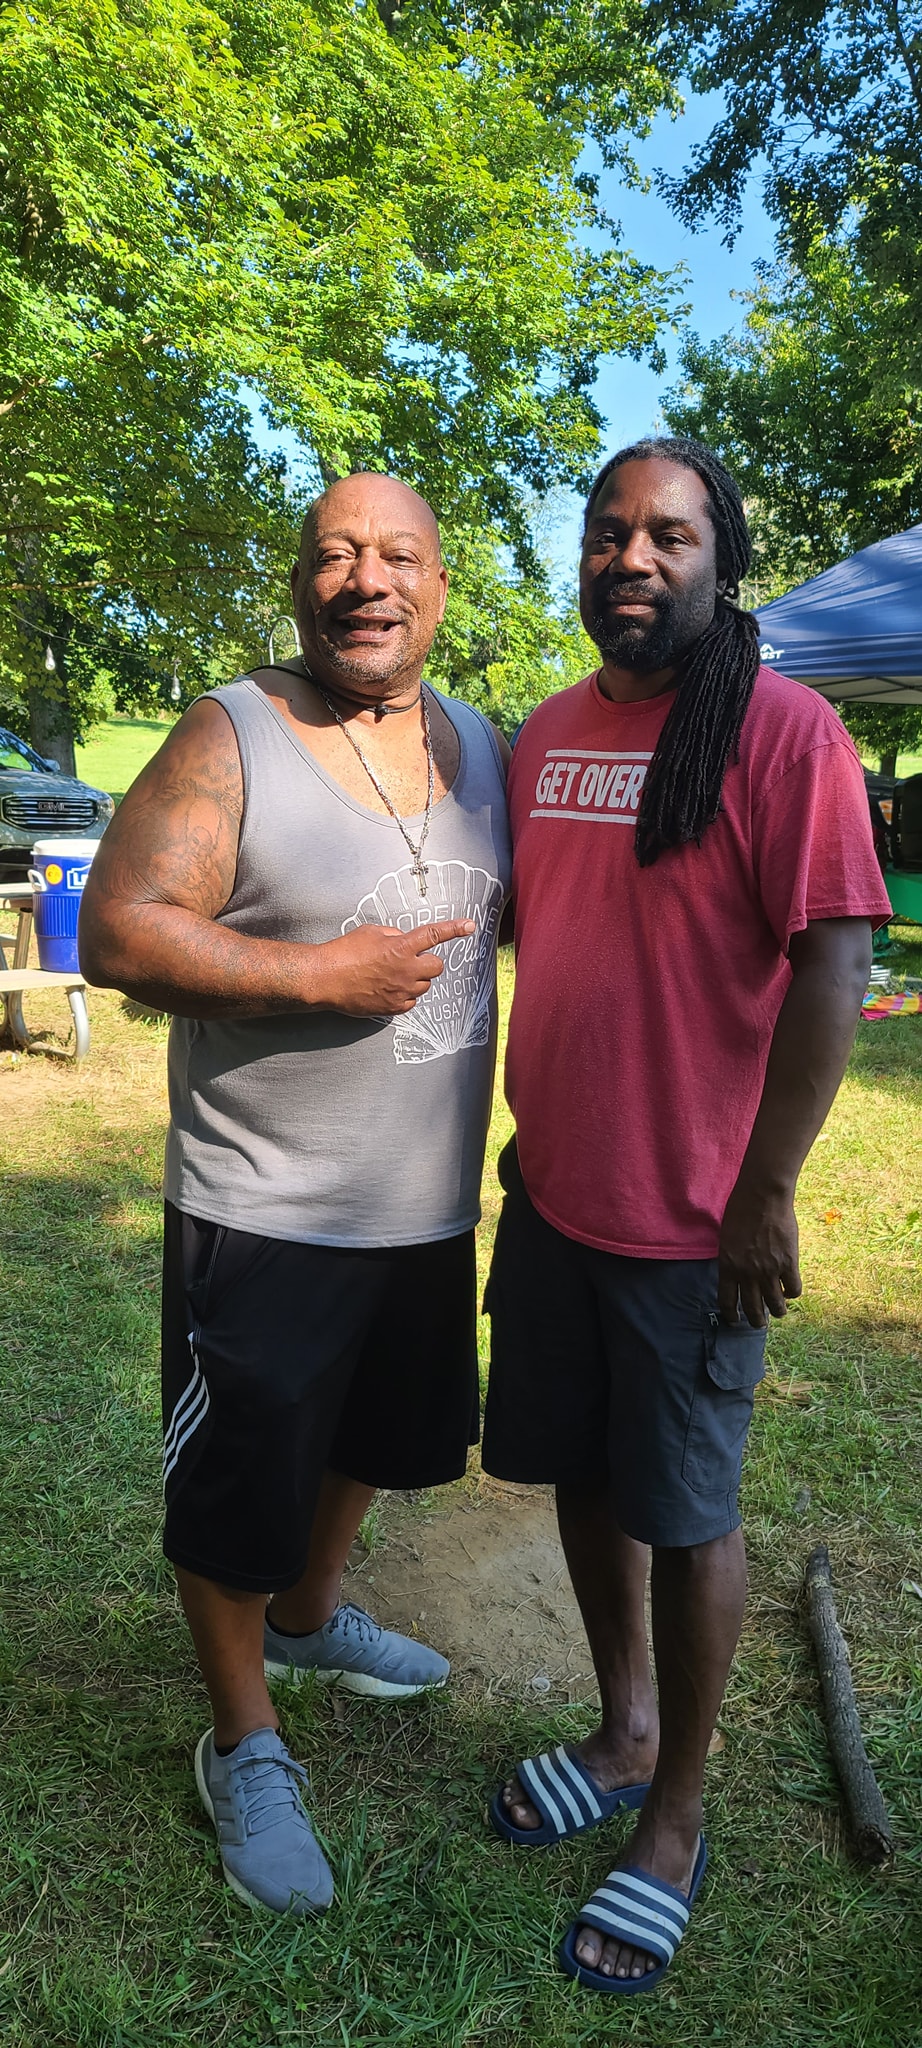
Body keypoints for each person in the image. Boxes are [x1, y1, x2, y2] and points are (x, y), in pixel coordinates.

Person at [481, 438, 890, 1995]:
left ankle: (675, 1806)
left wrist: (765, 1194)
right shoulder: (545, 738)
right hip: (554, 1195)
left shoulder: (783, 735)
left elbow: (835, 966)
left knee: (689, 1511)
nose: (631, 559)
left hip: (690, 1223)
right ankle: (620, 1721)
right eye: (607, 533)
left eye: (667, 535)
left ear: (720, 562)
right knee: (580, 1478)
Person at [79, 472, 511, 1917]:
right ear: (297, 582)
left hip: (425, 1202)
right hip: (262, 1208)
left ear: (441, 586)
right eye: (334, 554)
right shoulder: (232, 733)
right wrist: (311, 975)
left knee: (384, 1437)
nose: (364, 580)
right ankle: (242, 1736)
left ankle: (316, 1616)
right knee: (235, 1487)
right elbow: (122, 927)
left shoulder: (484, 752)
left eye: (397, 555)